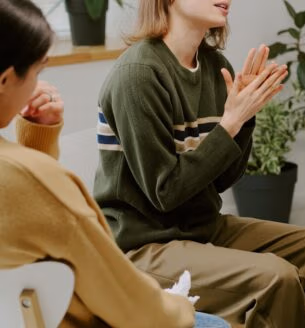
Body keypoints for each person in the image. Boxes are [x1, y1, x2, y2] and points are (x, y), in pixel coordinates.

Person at [94, 0, 305, 327]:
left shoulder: (213, 66)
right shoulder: (138, 75)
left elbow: (222, 179)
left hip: (203, 228)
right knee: (274, 278)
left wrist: (243, 120)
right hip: (143, 246)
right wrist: (230, 124)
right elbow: (165, 193)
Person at [0, 0, 229, 326]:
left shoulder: (21, 173)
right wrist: (180, 306)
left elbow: (25, 214)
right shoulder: (35, 180)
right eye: (38, 71)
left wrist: (38, 138)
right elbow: (122, 294)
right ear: (6, 79)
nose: (38, 85)